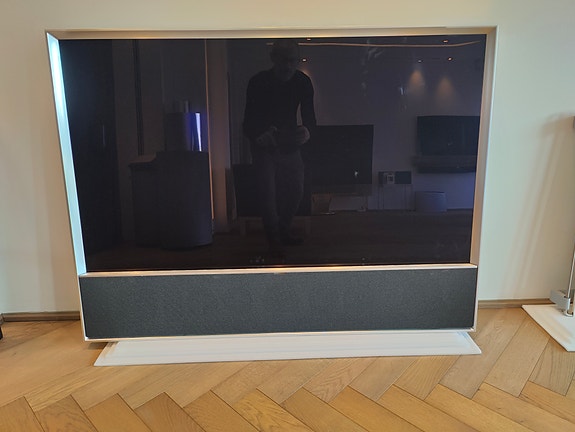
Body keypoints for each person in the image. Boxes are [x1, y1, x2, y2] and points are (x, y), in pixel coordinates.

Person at [242, 39, 316, 255]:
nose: (289, 66)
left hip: (286, 141)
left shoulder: (300, 82)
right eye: (285, 60)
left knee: (296, 189)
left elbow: (310, 118)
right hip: (265, 143)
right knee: (268, 193)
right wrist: (259, 136)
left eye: (293, 61)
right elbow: (248, 122)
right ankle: (276, 238)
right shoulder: (259, 82)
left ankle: (280, 233)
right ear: (273, 58)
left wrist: (308, 130)